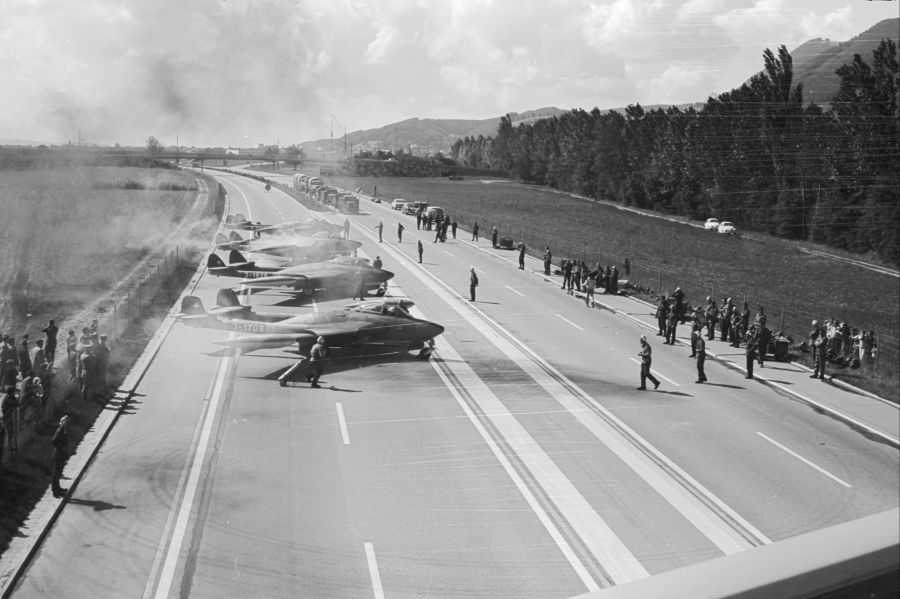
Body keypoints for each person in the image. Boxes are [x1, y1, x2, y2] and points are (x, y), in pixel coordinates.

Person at [51, 415, 70, 497]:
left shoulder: (64, 430)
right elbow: (54, 441)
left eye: (67, 422)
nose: (66, 423)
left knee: (59, 473)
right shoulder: (60, 430)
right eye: (65, 422)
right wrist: (60, 448)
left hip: (61, 454)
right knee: (56, 473)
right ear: (61, 423)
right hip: (58, 455)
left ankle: (58, 488)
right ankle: (55, 491)